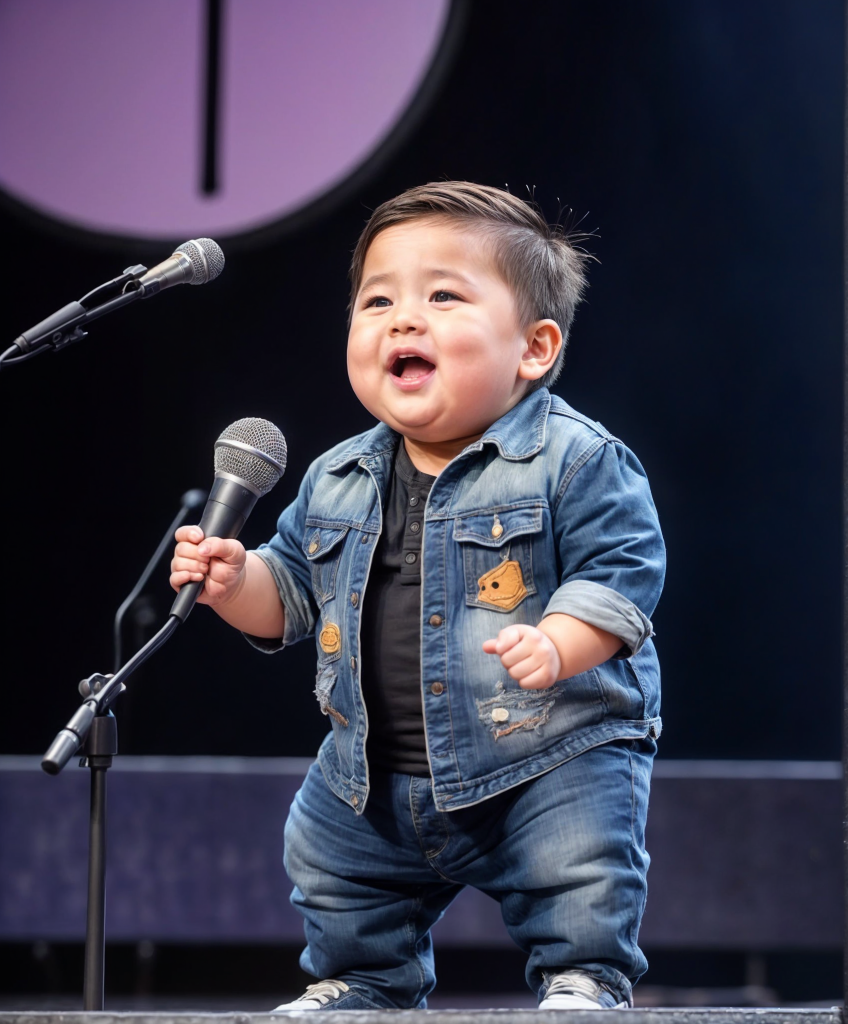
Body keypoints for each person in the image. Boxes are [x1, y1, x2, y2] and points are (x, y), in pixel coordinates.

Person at [170, 182, 665, 1011]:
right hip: (375, 771)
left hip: (545, 757)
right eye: (377, 300)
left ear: (534, 348)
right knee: (327, 862)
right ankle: (363, 979)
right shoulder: (336, 476)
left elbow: (619, 571)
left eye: (443, 295)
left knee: (578, 865)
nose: (403, 318)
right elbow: (292, 594)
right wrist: (236, 583)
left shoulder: (575, 460)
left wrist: (560, 641)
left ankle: (584, 978)